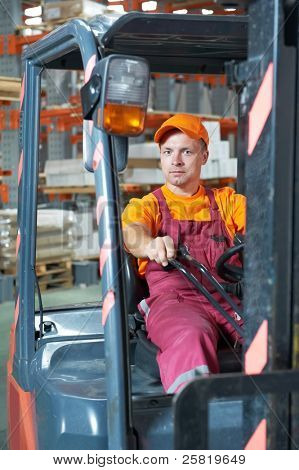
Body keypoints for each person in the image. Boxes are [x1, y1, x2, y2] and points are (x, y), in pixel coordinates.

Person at [122, 113, 246, 394]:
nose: (175, 161)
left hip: (226, 298)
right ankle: (195, 427)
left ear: (204, 156)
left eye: (186, 152)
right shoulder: (149, 205)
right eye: (168, 152)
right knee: (191, 336)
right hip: (174, 303)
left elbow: (266, 221)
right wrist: (150, 244)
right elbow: (132, 233)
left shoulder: (227, 202)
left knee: (274, 333)